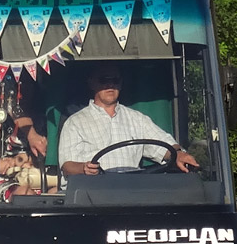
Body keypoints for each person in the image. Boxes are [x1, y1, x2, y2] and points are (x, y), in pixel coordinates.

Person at [59, 63, 199, 176]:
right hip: (92, 191)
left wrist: (179, 155)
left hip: (133, 191)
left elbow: (166, 146)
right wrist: (84, 168)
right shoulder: (75, 122)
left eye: (115, 80)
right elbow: (67, 166)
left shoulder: (137, 119)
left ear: (121, 83)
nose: (110, 85)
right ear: (91, 83)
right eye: (104, 80)